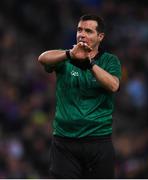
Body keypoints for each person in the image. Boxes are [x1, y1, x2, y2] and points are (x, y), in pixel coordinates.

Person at [38, 14, 122, 179]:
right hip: (64, 142)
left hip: (98, 141)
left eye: (88, 31)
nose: (82, 34)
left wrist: (89, 64)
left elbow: (113, 85)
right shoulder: (65, 57)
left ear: (100, 36)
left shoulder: (110, 61)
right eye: (79, 29)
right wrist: (69, 54)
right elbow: (42, 58)